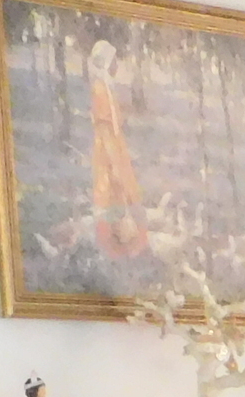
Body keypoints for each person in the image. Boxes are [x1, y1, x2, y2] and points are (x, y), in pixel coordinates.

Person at [86, 39, 149, 262]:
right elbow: (103, 122)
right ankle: (109, 241)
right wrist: (112, 155)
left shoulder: (107, 85)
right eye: (113, 61)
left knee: (122, 187)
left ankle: (127, 237)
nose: (116, 65)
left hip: (115, 143)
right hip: (107, 146)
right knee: (109, 185)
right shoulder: (99, 88)